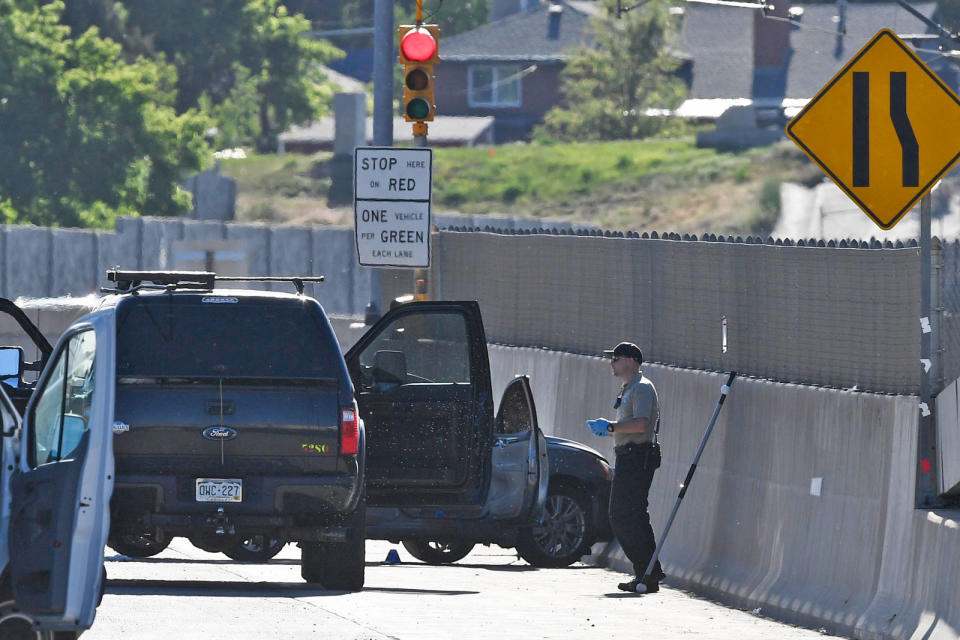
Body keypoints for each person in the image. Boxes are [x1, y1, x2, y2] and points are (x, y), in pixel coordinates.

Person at [599, 341, 665, 594]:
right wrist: (611, 430)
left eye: (615, 358)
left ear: (629, 360)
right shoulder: (629, 388)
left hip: (638, 456)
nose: (611, 363)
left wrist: (612, 426)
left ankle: (648, 572)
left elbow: (640, 424)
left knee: (624, 515)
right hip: (629, 455)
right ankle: (647, 574)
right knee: (631, 515)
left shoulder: (642, 388)